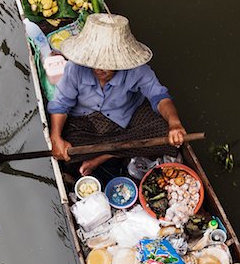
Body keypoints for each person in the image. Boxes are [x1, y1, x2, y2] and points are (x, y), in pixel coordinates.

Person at [47, 13, 187, 180]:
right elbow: (60, 105)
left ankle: (105, 155)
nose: (100, 69)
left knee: (163, 135)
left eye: (108, 65)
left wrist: (174, 123)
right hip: (85, 122)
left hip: (124, 120)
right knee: (68, 150)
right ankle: (117, 151)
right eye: (96, 64)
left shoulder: (137, 69)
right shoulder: (74, 68)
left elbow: (159, 96)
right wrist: (56, 137)